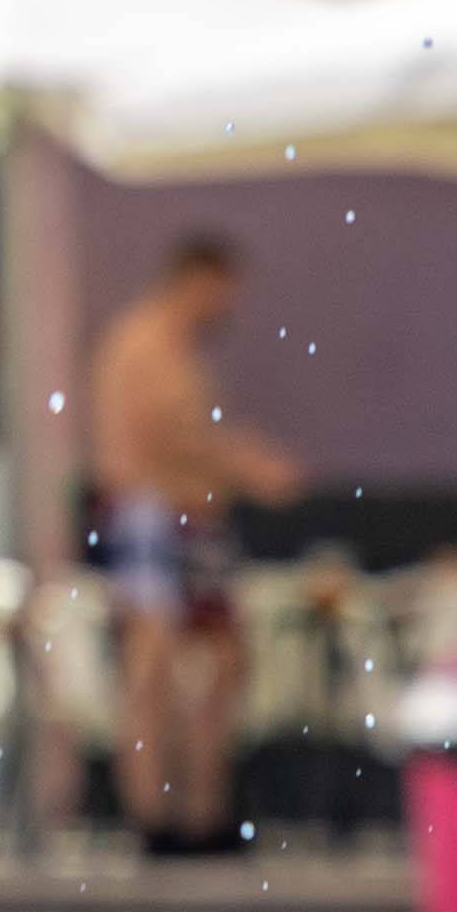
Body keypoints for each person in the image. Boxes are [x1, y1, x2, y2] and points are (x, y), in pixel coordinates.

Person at [87, 230, 303, 851]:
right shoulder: (143, 343)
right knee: (152, 668)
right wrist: (247, 463)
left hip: (192, 522)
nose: (228, 307)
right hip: (150, 518)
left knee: (219, 668)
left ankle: (202, 815)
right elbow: (163, 437)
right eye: (222, 292)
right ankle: (153, 819)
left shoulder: (179, 350)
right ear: (194, 281)